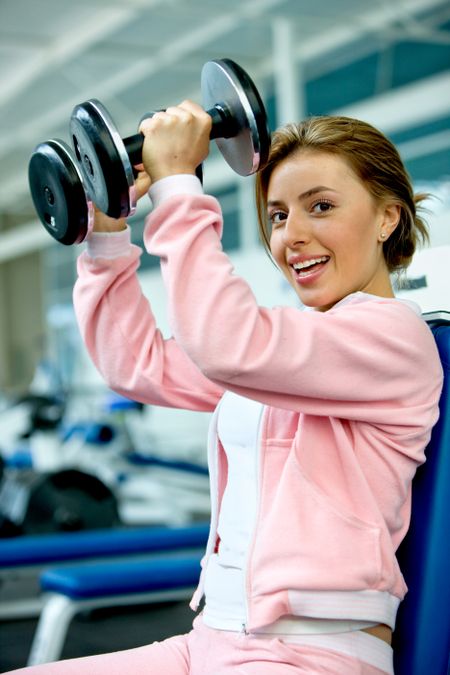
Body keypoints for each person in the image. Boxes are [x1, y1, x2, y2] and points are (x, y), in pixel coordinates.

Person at [10, 107, 443, 674]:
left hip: (311, 655)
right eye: (279, 215)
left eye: (322, 206)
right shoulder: (284, 352)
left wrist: (177, 186)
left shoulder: (393, 335)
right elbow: (138, 364)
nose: (293, 235)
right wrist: (108, 234)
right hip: (210, 639)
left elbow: (226, 343)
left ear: (388, 217)